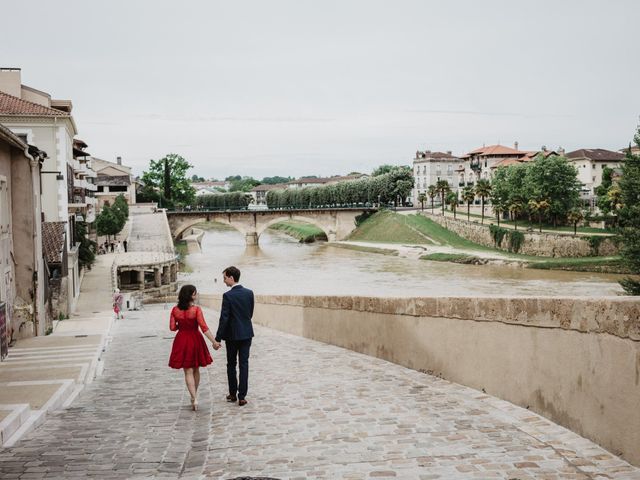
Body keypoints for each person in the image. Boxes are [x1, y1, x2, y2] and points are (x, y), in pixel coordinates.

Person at [169, 285, 216, 411]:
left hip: (181, 340)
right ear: (191, 295)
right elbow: (204, 327)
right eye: (195, 293)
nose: (196, 295)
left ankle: (193, 397)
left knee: (187, 371)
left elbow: (172, 328)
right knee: (195, 369)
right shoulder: (196, 310)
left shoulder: (175, 310)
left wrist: (181, 326)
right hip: (195, 339)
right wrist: (214, 342)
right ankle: (195, 395)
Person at [213, 266, 254, 406]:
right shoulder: (249, 293)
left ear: (231, 277)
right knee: (244, 364)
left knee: (231, 364)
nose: (224, 281)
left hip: (232, 336)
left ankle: (232, 393)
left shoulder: (228, 296)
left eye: (225, 278)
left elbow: (224, 318)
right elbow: (250, 314)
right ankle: (242, 396)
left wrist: (217, 338)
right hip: (247, 333)